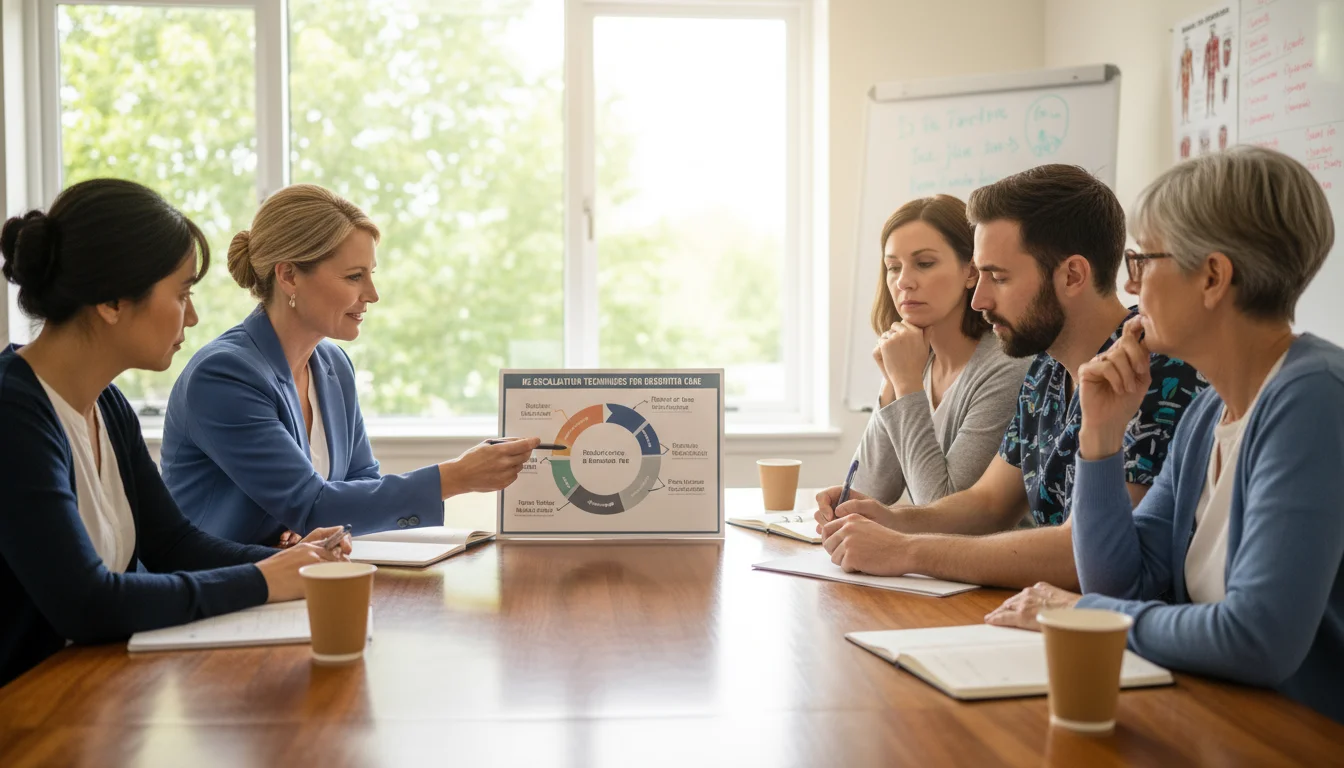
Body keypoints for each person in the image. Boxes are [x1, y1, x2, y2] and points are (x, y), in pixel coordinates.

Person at [985, 148, 1344, 724]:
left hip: (1301, 735)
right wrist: (1101, 436)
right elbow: (1123, 581)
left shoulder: (1314, 398)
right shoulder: (1208, 414)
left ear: (1212, 277)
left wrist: (1084, 610)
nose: (1130, 285)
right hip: (1219, 714)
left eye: (1142, 262)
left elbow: (1257, 637)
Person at [0, 179, 350, 686]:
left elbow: (174, 544)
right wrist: (261, 579)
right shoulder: (13, 415)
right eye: (182, 292)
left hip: (94, 690)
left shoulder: (109, 405)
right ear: (112, 300)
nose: (193, 315)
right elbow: (86, 602)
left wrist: (295, 561)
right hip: (30, 712)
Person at [814, 165, 1206, 590]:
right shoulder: (1046, 369)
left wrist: (905, 550)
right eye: (979, 275)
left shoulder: (1156, 372)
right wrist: (892, 520)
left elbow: (1089, 552)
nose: (979, 299)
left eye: (998, 277)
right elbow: (988, 503)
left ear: (1073, 275)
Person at [160, 184, 537, 546]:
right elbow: (312, 505)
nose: (372, 295)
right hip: (214, 594)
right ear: (288, 275)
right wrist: (455, 476)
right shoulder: (224, 375)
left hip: (297, 581)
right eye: (355, 277)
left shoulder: (332, 365)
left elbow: (358, 483)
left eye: (371, 275)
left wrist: (319, 521)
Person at [851, 195, 1030, 507]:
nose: (904, 282)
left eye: (924, 264)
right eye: (893, 267)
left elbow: (942, 512)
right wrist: (892, 384)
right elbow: (868, 493)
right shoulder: (913, 358)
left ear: (971, 272)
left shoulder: (1007, 368)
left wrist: (906, 384)